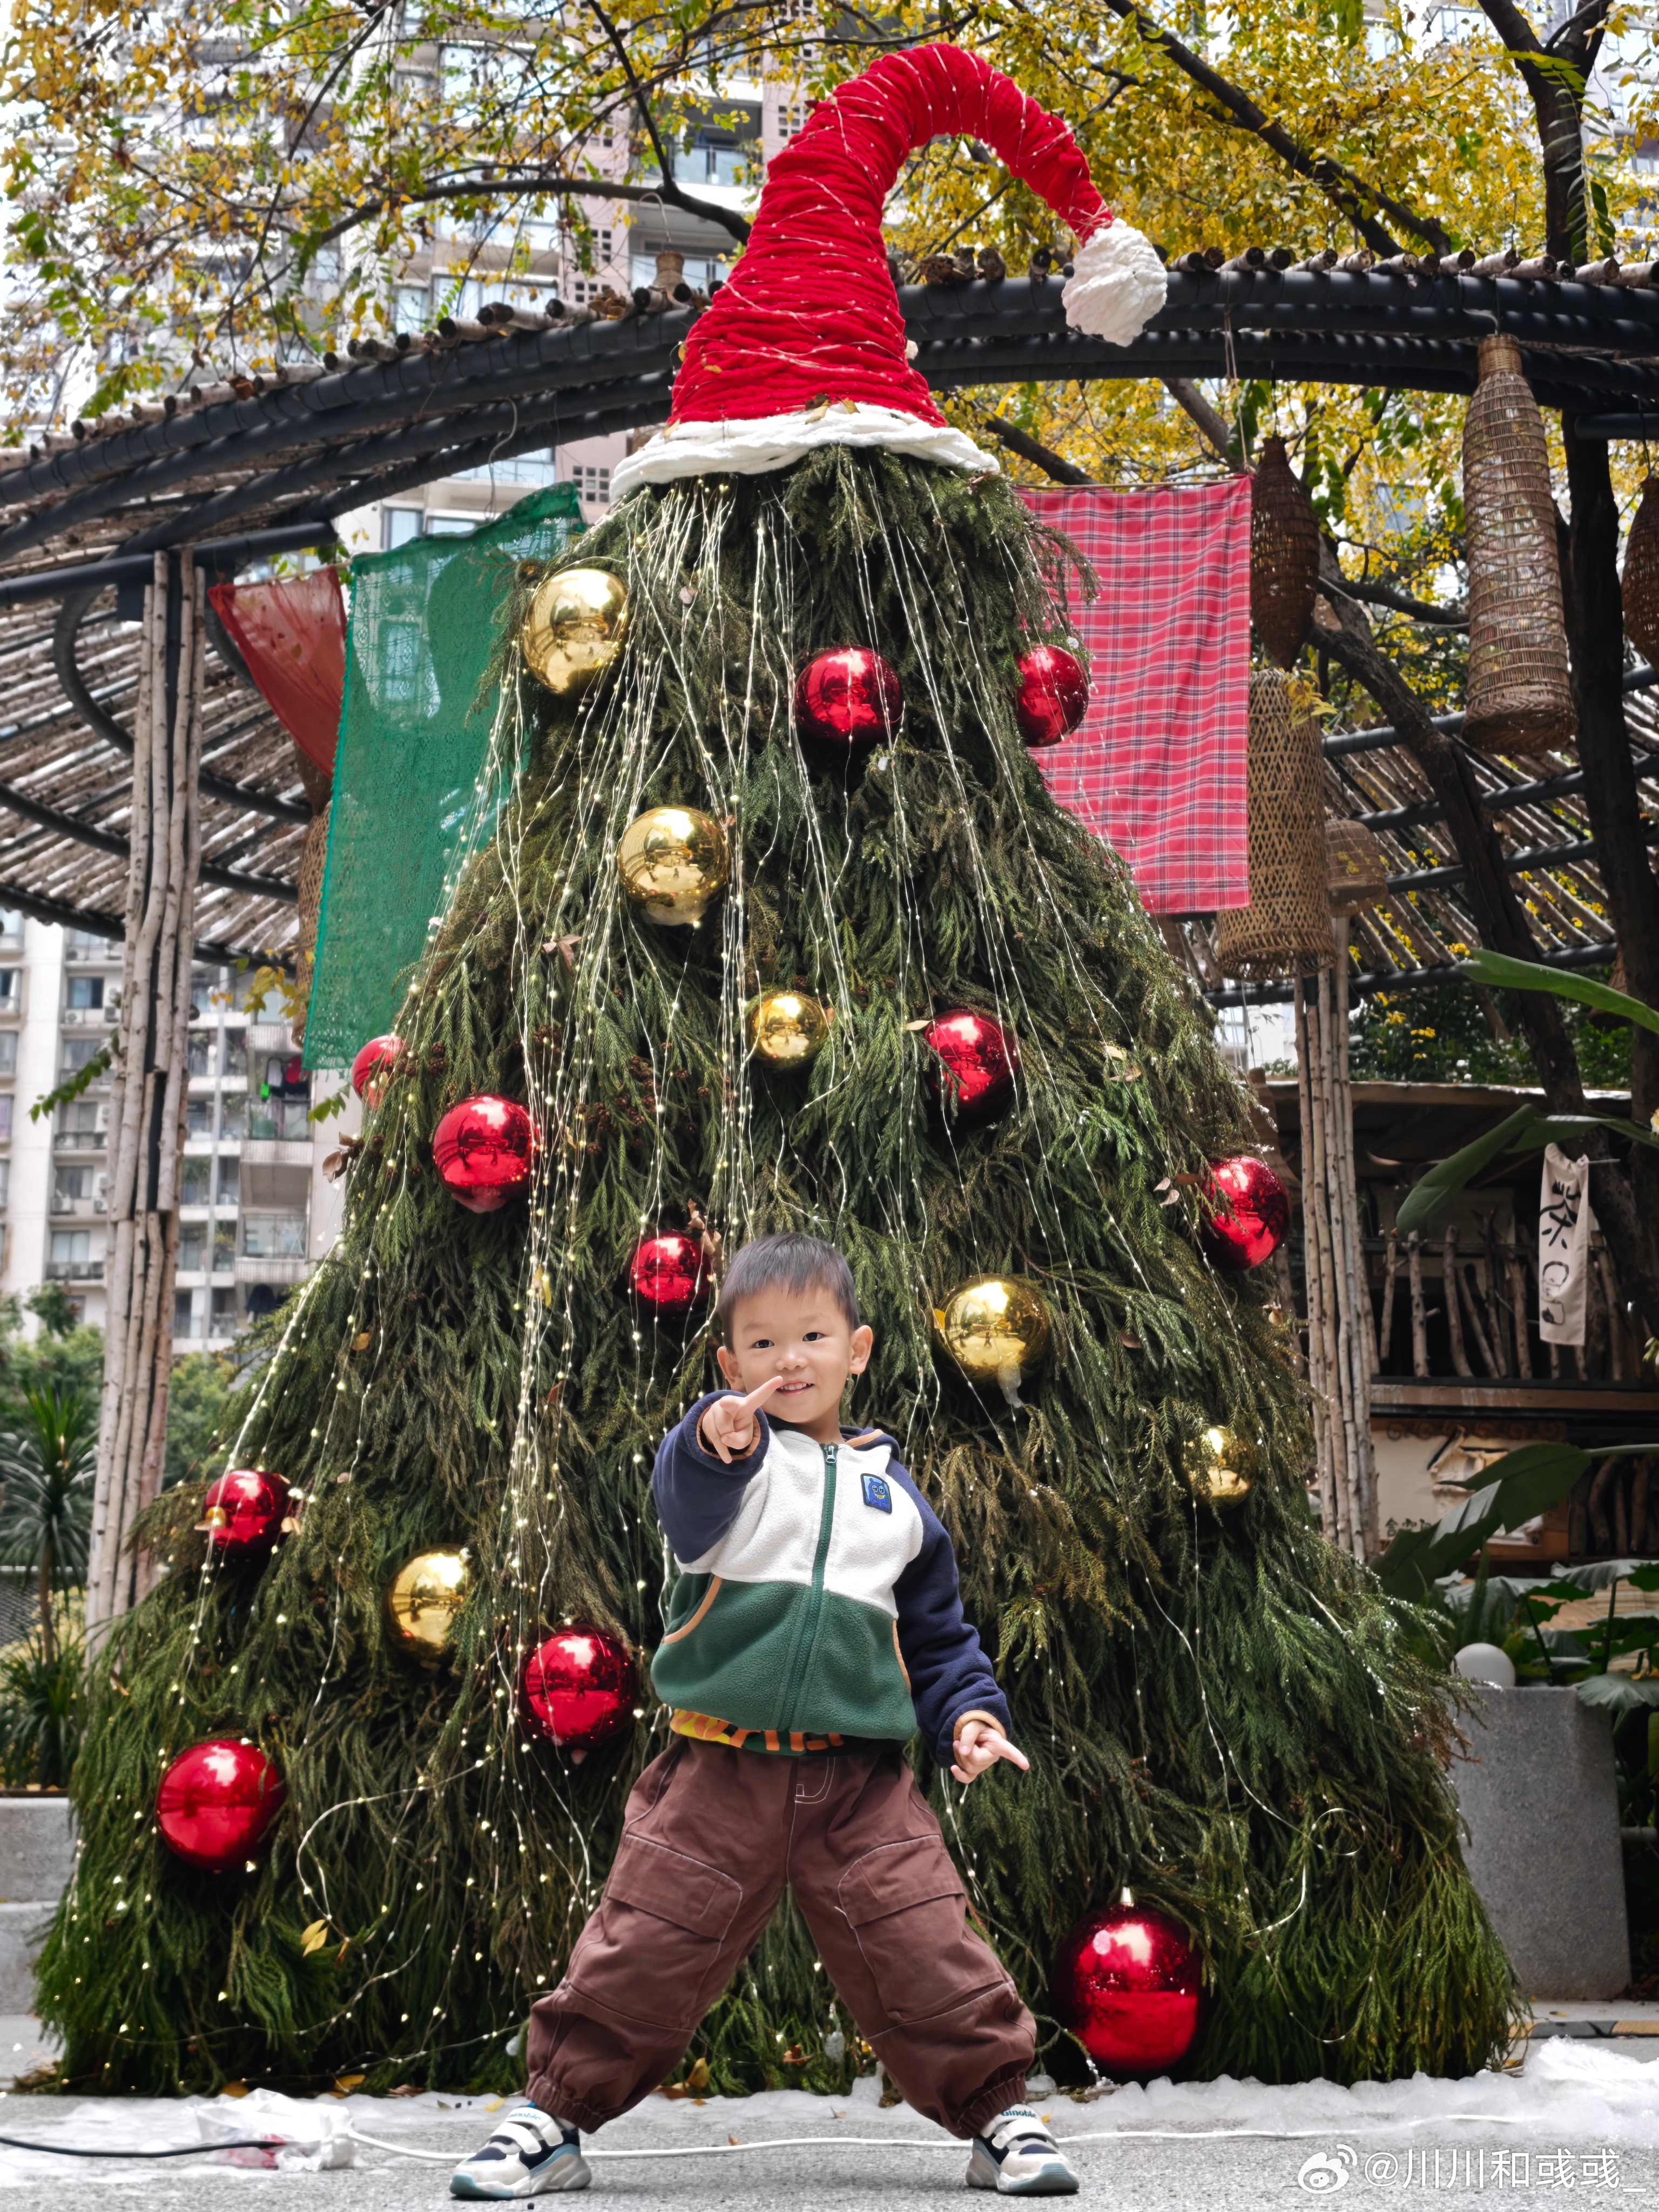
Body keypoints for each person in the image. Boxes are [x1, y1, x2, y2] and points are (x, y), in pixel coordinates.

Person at [450, 1231, 1079, 2198]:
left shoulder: (895, 1501)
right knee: (645, 1945)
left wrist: (968, 1717)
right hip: (717, 1773)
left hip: (859, 1784)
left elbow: (939, 1640)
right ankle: (554, 2117)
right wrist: (715, 1439)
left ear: (857, 1351)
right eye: (761, 1345)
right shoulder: (729, 1470)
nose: (789, 1361)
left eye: (813, 1337)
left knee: (924, 1944)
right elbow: (687, 1491)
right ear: (728, 1365)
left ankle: (999, 2115)